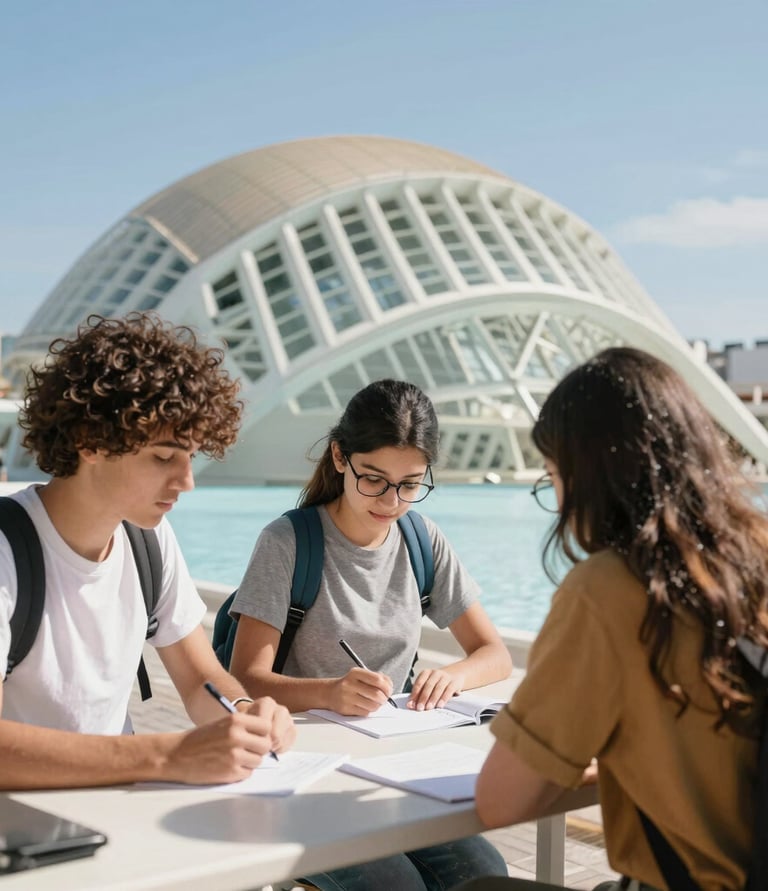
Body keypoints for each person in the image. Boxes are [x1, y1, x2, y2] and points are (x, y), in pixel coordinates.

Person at [460, 347, 767, 891]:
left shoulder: (609, 589)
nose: (556, 500)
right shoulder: (755, 556)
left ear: (594, 475)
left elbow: (501, 802)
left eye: (554, 474)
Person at [229, 378, 513, 890]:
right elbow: (246, 680)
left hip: (387, 769)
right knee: (396, 886)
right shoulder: (287, 542)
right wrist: (329, 693)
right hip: (302, 776)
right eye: (374, 480)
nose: (392, 500)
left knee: (486, 876)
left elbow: (493, 654)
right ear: (340, 457)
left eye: (410, 484)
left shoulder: (423, 540)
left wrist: (450, 676)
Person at [0, 313, 295, 790]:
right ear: (89, 442)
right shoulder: (6, 553)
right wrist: (166, 754)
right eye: (163, 458)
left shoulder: (147, 540)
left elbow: (200, 678)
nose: (186, 481)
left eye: (190, 457)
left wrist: (243, 713)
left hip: (118, 812)